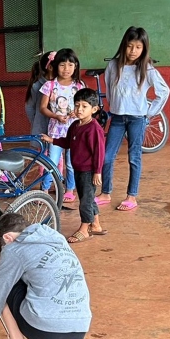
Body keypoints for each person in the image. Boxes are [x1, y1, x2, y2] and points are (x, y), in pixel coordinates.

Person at [96, 27, 170, 211]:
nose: (133, 51)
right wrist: (112, 108)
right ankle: (105, 192)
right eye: (130, 46)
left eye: (138, 47)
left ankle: (132, 196)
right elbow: (109, 88)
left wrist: (149, 113)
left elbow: (164, 91)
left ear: (144, 48)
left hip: (137, 119)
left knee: (134, 157)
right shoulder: (113, 65)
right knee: (106, 156)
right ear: (124, 46)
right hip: (118, 118)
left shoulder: (147, 68)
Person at [45, 89, 106, 243]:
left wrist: (97, 172)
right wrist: (52, 140)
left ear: (94, 109)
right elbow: (67, 142)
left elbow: (99, 152)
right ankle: (96, 225)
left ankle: (84, 229)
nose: (79, 109)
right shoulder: (75, 125)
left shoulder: (94, 129)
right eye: (77, 105)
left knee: (85, 201)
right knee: (88, 198)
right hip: (78, 169)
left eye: (84, 106)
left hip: (89, 170)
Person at [39, 48, 84, 203]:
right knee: (51, 162)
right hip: (55, 132)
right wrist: (56, 116)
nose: (66, 69)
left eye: (70, 65)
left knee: (71, 163)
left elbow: (84, 107)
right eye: (63, 65)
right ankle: (44, 189)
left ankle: (69, 190)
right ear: (56, 65)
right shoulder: (50, 85)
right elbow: (43, 107)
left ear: (76, 67)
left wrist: (76, 113)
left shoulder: (79, 86)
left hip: (74, 131)